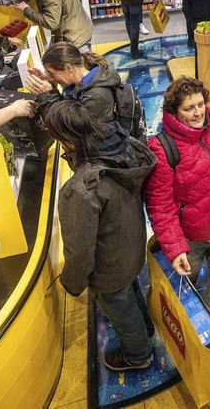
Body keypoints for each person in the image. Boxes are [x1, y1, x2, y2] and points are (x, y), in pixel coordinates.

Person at [38, 99, 157, 371]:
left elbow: (79, 251)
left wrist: (73, 283)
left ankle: (139, 357)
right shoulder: (122, 148)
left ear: (66, 139)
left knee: (122, 310)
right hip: (132, 246)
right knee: (132, 293)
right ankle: (147, 329)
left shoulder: (80, 190)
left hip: (109, 268)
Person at [144, 77, 210, 355]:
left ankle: (206, 327)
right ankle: (178, 326)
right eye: (189, 108)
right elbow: (160, 205)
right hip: (190, 237)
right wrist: (175, 248)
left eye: (200, 104)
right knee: (183, 288)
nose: (198, 112)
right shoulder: (163, 148)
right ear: (174, 112)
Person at [23, 42, 141, 136]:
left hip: (105, 158)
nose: (50, 77)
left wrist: (48, 95)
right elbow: (68, 107)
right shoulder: (79, 81)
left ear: (68, 67)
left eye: (51, 73)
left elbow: (67, 128)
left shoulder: (97, 96)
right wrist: (50, 81)